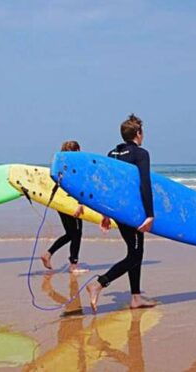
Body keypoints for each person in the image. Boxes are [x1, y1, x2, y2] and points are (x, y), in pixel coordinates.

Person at [86, 114, 157, 313]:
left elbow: (108, 187)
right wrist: (150, 214)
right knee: (135, 255)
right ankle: (99, 283)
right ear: (138, 133)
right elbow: (145, 184)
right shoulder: (141, 154)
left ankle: (136, 298)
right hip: (133, 212)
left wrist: (105, 213)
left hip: (118, 211)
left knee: (134, 252)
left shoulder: (112, 154)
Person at [40, 141, 88, 274]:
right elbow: (78, 187)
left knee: (70, 234)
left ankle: (48, 254)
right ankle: (73, 266)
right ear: (77, 151)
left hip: (61, 204)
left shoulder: (59, 166)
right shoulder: (75, 166)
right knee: (76, 234)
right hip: (72, 203)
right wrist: (80, 204)